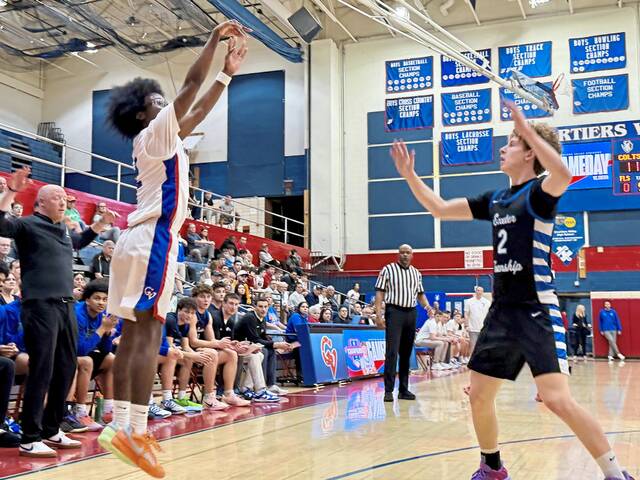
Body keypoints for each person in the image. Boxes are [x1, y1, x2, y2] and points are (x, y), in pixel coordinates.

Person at [390, 101, 634, 480]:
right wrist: (409, 175)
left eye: (511, 143)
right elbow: (438, 208)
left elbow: (564, 172)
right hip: (502, 311)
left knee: (556, 399)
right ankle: (491, 467)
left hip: (536, 308)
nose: (503, 149)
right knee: (479, 394)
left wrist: (528, 127)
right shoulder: (496, 200)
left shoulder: (539, 193)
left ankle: (615, 473)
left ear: (530, 153)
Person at [98, 20, 248, 479]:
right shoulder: (157, 134)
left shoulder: (160, 137)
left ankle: (118, 423)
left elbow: (197, 109)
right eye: (156, 101)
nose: (166, 103)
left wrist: (227, 73)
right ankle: (137, 431)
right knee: (148, 335)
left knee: (131, 335)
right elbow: (189, 89)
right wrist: (212, 42)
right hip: (154, 238)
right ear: (144, 114)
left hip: (134, 240)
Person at [0, 168, 116, 458]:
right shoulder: (27, 225)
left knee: (67, 365)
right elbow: (2, 225)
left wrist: (99, 224)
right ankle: (30, 435)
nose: (63, 201)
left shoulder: (64, 229)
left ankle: (52, 428)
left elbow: (78, 243)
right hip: (40, 306)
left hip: (66, 306)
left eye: (64, 197)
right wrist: (11, 191)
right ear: (40, 202)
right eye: (56, 197)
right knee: (42, 368)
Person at [375, 244, 429, 403]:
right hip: (394, 312)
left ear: (412, 255)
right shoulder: (387, 270)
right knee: (392, 352)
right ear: (398, 254)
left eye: (408, 253)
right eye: (402, 252)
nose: (405, 255)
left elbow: (420, 295)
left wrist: (428, 307)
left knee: (406, 353)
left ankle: (404, 389)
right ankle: (388, 390)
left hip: (411, 313)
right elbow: (380, 292)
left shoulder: (416, 273)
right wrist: (379, 314)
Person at [233, 296, 292, 396]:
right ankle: (261, 385)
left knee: (271, 350)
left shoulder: (262, 318)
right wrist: (275, 344)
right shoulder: (250, 317)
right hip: (240, 347)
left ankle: (271, 385)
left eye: (265, 306)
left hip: (250, 347)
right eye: (260, 306)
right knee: (263, 351)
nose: (263, 309)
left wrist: (275, 344)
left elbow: (262, 336)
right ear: (255, 307)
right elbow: (254, 339)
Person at [465, 286, 490, 354]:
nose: (479, 292)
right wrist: (466, 325)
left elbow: (489, 315)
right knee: (473, 345)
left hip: (483, 328)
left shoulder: (487, 302)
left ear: (483, 292)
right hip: (472, 328)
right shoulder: (469, 301)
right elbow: (466, 314)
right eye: (478, 290)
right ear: (475, 291)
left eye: (481, 291)